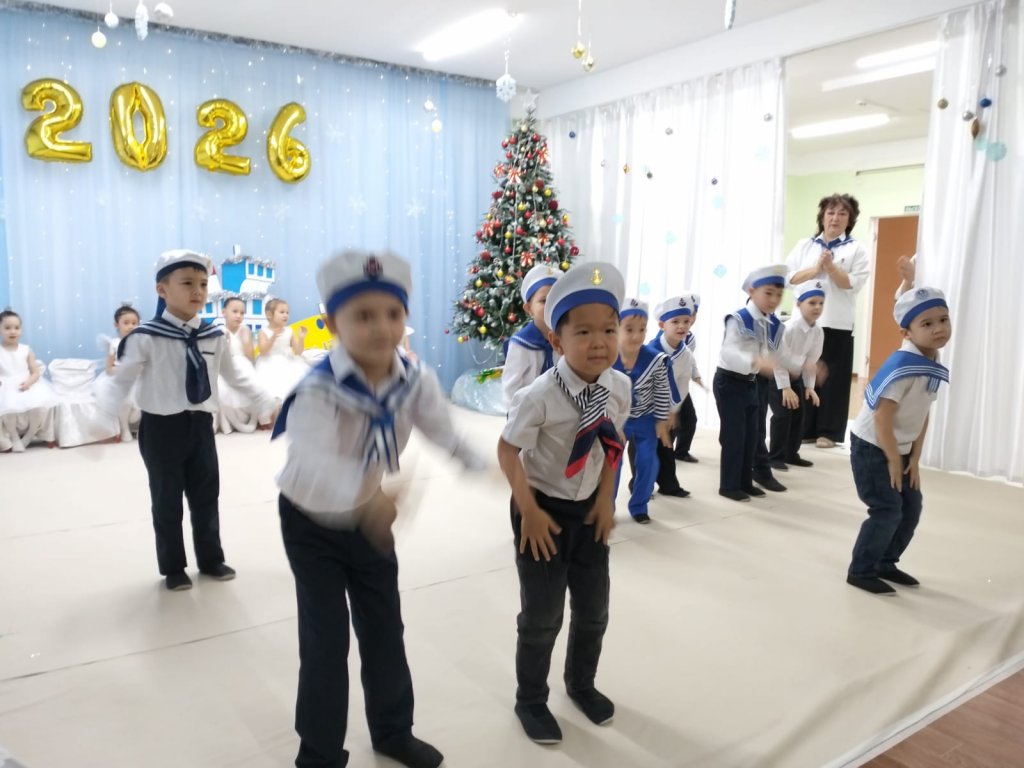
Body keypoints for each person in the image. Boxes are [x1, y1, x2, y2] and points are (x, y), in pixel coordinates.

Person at [273, 249, 482, 768]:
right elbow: (315, 462)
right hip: (311, 520)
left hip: (370, 518)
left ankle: (393, 730)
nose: (381, 328)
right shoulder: (318, 390)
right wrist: (369, 500)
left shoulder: (414, 378)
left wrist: (480, 463)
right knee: (325, 640)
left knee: (385, 627)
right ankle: (319, 752)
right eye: (363, 316)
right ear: (331, 324)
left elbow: (441, 428)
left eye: (392, 313)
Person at [497, 262, 630, 745]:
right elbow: (507, 450)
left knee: (594, 609)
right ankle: (531, 699)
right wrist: (529, 512)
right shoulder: (539, 396)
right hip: (542, 510)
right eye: (584, 332)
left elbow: (612, 444)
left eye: (609, 330)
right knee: (542, 615)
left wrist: (606, 500)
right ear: (556, 340)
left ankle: (581, 683)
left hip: (589, 510)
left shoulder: (619, 387)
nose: (600, 343)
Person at [95, 250, 278, 591]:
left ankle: (211, 559)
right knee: (167, 500)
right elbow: (124, 378)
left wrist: (266, 400)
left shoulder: (213, 335)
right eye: (187, 283)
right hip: (161, 428)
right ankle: (173, 567)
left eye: (203, 284)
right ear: (162, 290)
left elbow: (236, 375)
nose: (198, 291)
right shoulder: (146, 336)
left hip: (201, 427)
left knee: (206, 495)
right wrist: (104, 411)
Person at [846, 287, 951, 595]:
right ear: (907, 332)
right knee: (887, 508)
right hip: (872, 446)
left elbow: (922, 414)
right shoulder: (904, 367)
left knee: (911, 507)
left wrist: (914, 460)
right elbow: (882, 417)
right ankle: (861, 570)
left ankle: (885, 562)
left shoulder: (931, 361)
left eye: (943, 319)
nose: (938, 329)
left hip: (899, 447)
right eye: (927, 323)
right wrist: (894, 460)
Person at [785, 194, 869, 448]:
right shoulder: (804, 245)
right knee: (802, 373)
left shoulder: (856, 248)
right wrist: (816, 269)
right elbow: (788, 278)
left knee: (834, 379)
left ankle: (829, 432)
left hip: (837, 322)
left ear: (850, 220)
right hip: (803, 324)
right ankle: (803, 428)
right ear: (822, 216)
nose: (835, 218)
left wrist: (831, 268)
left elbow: (852, 284)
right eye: (830, 212)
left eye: (842, 214)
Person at [714, 265, 787, 503]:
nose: (774, 300)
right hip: (730, 382)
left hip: (751, 383)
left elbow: (778, 355)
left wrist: (803, 366)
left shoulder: (769, 322)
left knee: (751, 436)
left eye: (779, 295)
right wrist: (754, 361)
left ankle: (746, 481)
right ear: (752, 291)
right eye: (768, 293)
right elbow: (729, 352)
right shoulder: (738, 319)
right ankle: (729, 485)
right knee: (734, 436)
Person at [613, 298, 674, 524]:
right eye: (629, 329)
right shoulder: (606, 359)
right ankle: (605, 506)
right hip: (616, 420)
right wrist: (613, 424)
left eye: (642, 330)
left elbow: (662, 391)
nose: (636, 336)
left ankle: (639, 505)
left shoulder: (655, 360)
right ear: (615, 329)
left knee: (649, 462)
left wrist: (661, 421)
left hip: (645, 419)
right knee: (612, 463)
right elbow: (601, 394)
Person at [768, 281, 824, 471]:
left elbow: (811, 362)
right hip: (777, 376)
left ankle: (791, 453)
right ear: (799, 304)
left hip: (796, 377)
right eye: (812, 303)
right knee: (782, 415)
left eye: (821, 303)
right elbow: (778, 359)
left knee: (799, 416)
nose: (817, 307)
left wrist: (809, 387)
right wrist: (785, 387)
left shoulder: (818, 332)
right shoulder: (788, 329)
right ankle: (774, 456)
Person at [649, 295, 697, 498]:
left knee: (667, 446)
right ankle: (641, 486)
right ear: (662, 325)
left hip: (667, 407)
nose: (682, 326)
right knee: (645, 449)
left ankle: (669, 485)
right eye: (675, 322)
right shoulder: (650, 351)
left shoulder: (685, 353)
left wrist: (672, 411)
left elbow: (682, 384)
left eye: (686, 321)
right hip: (646, 408)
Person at [502, 263, 562, 408]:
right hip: (527, 409)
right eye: (543, 301)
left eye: (556, 300)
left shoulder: (565, 339)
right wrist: (515, 413)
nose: (550, 306)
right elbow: (511, 386)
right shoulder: (521, 344)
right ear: (529, 308)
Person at [0, 308, 57, 453]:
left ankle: (29, 435)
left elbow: (35, 371)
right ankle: (14, 437)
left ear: (21, 329)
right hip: (6, 385)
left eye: (16, 328)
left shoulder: (26, 350)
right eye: (7, 328)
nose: (12, 331)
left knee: (36, 407)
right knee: (8, 410)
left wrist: (29, 382)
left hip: (26, 383)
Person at [217, 297, 264, 434]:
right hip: (226, 365)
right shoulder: (220, 331)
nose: (238, 316)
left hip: (244, 364)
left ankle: (251, 419)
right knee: (221, 387)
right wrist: (226, 342)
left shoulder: (245, 330)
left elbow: (251, 356)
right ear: (224, 312)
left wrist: (245, 341)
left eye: (242, 313)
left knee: (253, 384)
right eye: (235, 311)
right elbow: (219, 357)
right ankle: (229, 422)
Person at [256, 298, 308, 401]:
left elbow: (298, 352)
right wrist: (273, 336)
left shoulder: (289, 331)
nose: (285, 315)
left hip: (289, 360)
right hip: (269, 362)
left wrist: (301, 338)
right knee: (270, 386)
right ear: (269, 315)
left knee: (295, 378)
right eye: (282, 312)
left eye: (287, 313)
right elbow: (263, 351)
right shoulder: (263, 332)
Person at [105, 303, 141, 442]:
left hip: (138, 378)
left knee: (143, 397)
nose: (130, 326)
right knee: (124, 399)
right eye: (126, 323)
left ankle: (139, 424)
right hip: (120, 379)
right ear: (116, 325)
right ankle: (125, 427)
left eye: (134, 323)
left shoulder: (141, 342)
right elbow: (109, 369)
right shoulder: (114, 343)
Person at [674, 291, 703, 462]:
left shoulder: (690, 338)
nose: (689, 319)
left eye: (692, 314)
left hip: (681, 384)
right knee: (670, 421)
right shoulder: (668, 334)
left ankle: (681, 451)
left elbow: (690, 360)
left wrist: (696, 376)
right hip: (665, 385)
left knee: (689, 418)